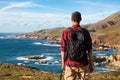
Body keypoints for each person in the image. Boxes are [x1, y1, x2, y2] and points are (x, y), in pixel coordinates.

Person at [60, 11, 93, 80]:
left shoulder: (66, 32)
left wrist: (63, 64)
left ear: (71, 19)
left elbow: (63, 49)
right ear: (81, 19)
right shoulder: (85, 32)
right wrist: (91, 65)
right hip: (83, 64)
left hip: (70, 64)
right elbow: (90, 50)